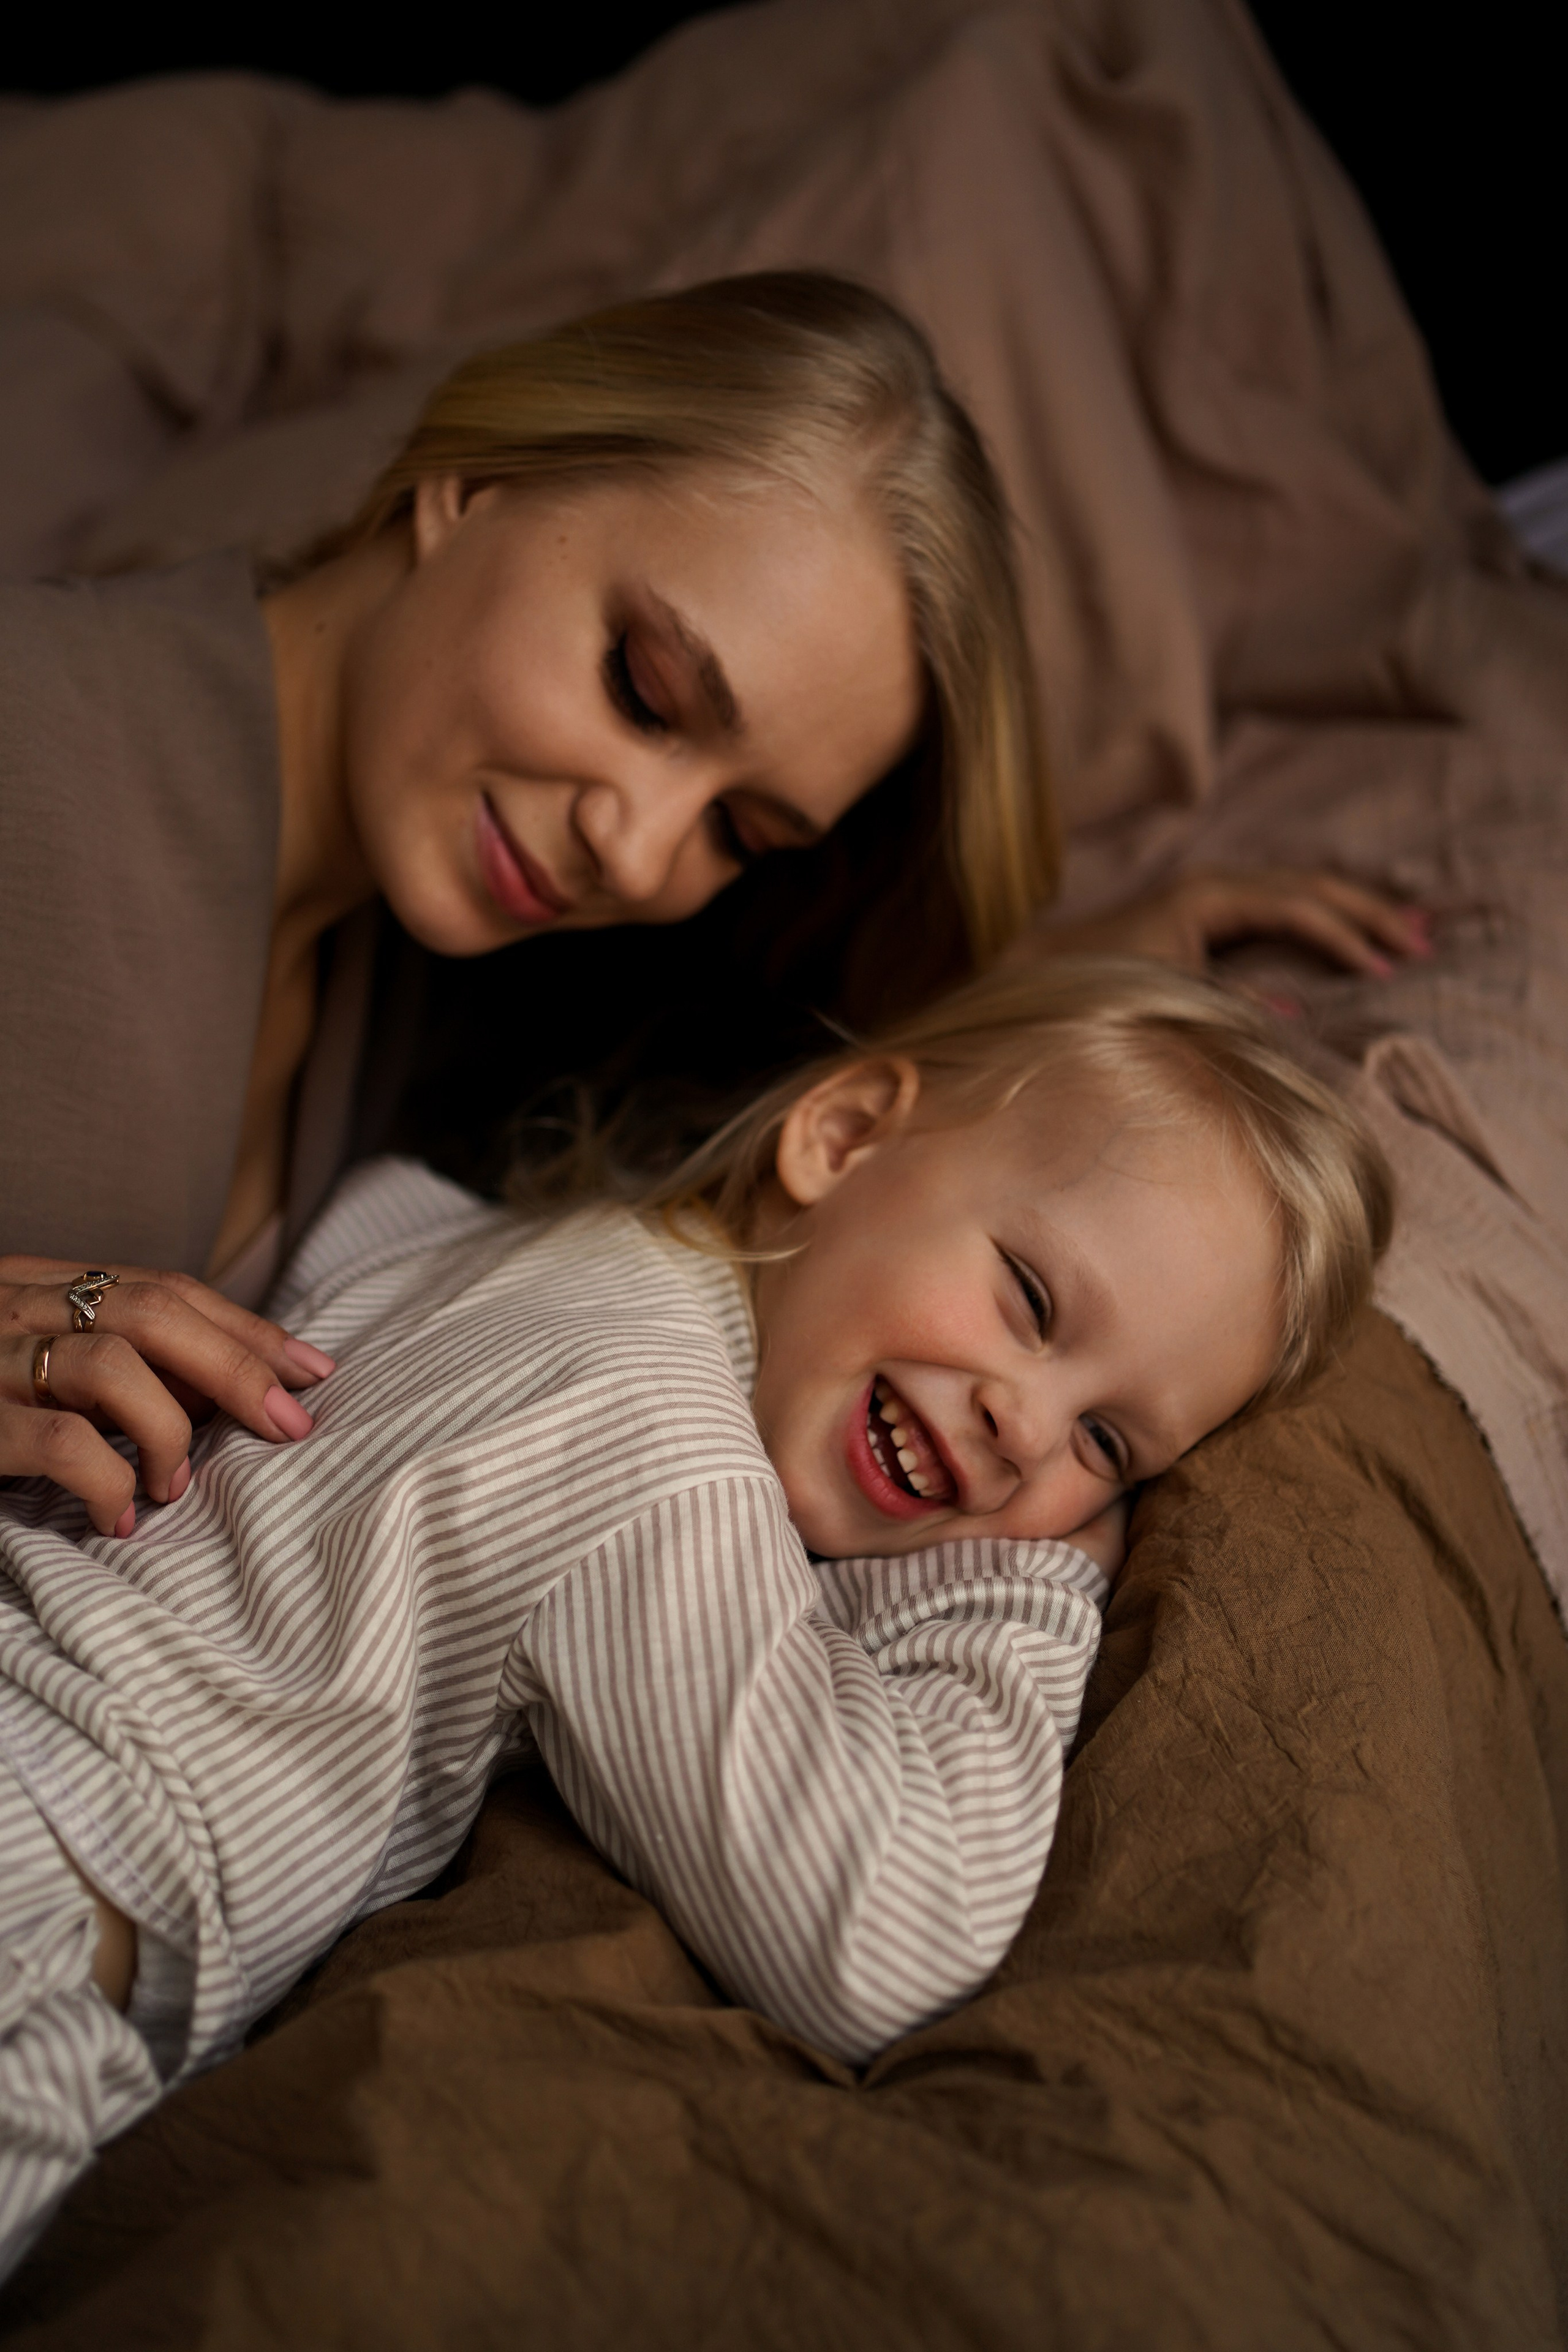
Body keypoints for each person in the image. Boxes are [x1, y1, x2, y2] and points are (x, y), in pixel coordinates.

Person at [0, 956, 1391, 2274]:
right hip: (47, 1896)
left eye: (1106, 1450)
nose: (1022, 1427)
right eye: (1028, 1298)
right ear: (840, 1135)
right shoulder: (650, 1452)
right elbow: (884, 1936)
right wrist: (1025, 1580)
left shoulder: (518, 1245)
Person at [0, 272, 1420, 1533]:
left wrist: (1070, 998)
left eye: (739, 829)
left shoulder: (448, 970)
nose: (634, 851)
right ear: (478, 481)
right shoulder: (39, 733)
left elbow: (812, 1125)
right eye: (645, 690)